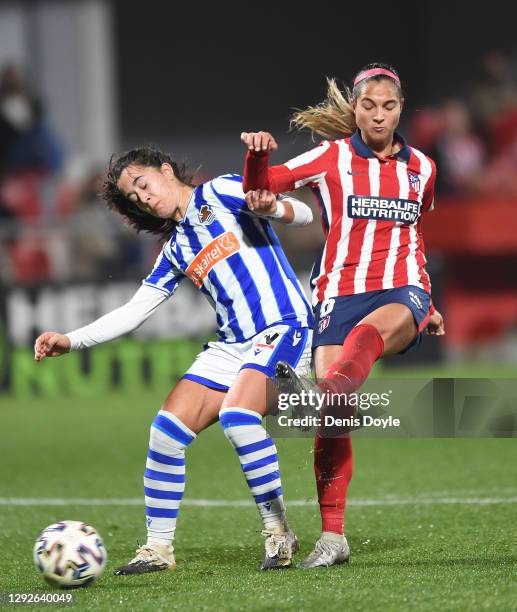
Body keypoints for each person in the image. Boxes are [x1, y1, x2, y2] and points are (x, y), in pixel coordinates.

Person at [34, 145, 315, 574]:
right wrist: (71, 341)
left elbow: (305, 214)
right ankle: (158, 549)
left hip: (285, 327)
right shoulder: (175, 250)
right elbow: (133, 311)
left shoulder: (220, 192)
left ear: (166, 170)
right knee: (166, 431)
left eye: (143, 184)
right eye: (133, 197)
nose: (143, 197)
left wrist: (274, 206)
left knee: (239, 417)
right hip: (232, 344)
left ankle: (279, 532)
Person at [240, 63, 445, 569]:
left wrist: (430, 300)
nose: (379, 116)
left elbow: (415, 237)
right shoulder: (330, 157)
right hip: (338, 293)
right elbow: (264, 184)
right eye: (369, 106)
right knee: (333, 420)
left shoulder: (423, 167)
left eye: (389, 106)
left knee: (360, 351)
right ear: (355, 108)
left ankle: (321, 390)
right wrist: (256, 156)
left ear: (402, 108)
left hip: (402, 289)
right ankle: (334, 537)